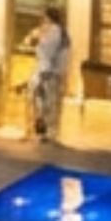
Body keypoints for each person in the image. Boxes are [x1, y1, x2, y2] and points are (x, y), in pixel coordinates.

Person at [27, 13, 72, 144]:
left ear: (49, 18)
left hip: (46, 72)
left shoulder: (54, 31)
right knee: (50, 104)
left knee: (44, 104)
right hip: (54, 73)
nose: (42, 21)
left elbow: (46, 52)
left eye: (44, 18)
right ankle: (49, 132)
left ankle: (45, 132)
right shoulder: (62, 33)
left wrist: (37, 38)